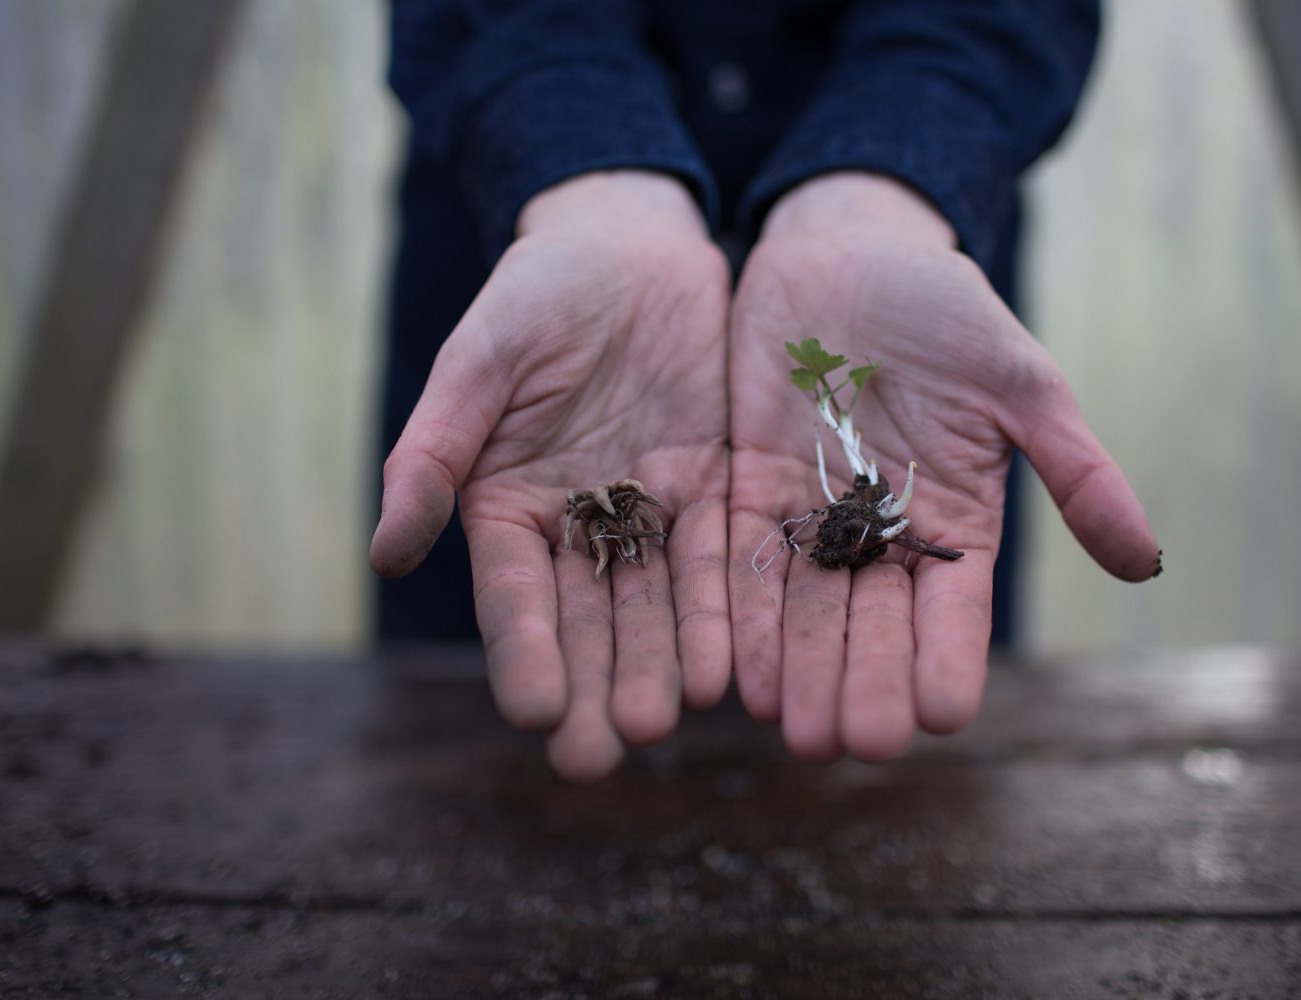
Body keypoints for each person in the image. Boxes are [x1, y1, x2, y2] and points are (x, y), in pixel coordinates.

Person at [371, 0, 1161, 782]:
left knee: (902, 754)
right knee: (482, 746)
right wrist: (575, 158)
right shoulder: (597, 479)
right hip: (537, 286)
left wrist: (895, 167)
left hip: (912, 312)